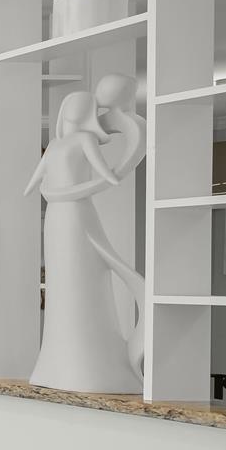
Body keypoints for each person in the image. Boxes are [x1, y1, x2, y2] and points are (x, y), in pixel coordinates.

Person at [25, 83, 144, 393]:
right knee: (63, 283)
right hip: (56, 217)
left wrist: (79, 190)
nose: (75, 113)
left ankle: (98, 363)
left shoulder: (85, 140)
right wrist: (53, 193)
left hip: (77, 213)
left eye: (82, 107)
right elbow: (35, 182)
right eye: (71, 106)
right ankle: (59, 361)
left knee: (85, 276)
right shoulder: (54, 146)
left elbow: (106, 174)